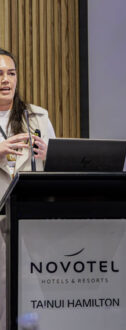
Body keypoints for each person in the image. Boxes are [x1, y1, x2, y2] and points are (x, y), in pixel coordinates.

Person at [0, 48, 55, 330]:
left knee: (32, 306)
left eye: (11, 73)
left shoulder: (37, 118)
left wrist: (50, 155)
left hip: (31, 222)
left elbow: (59, 169)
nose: (5, 80)